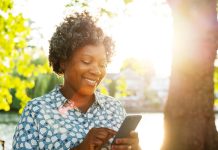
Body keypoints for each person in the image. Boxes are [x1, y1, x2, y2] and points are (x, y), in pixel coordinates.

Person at [13, 12, 140, 150]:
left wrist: (135, 148)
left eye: (102, 64)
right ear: (63, 61)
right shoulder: (36, 111)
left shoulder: (115, 109)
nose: (96, 71)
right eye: (86, 61)